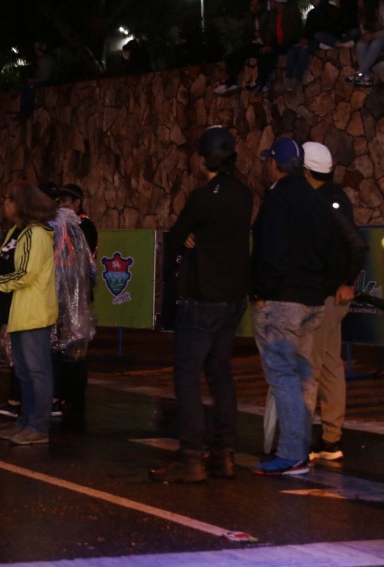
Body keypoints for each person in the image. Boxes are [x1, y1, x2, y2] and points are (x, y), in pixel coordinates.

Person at [149, 127, 253, 483]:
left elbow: (177, 237)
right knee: (221, 374)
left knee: (187, 374)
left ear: (204, 158)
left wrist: (190, 237)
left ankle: (191, 455)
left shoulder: (202, 197)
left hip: (203, 297)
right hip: (233, 297)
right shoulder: (244, 194)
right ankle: (225, 453)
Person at [250, 138, 334, 476]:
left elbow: (269, 251)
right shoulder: (316, 200)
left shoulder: (277, 199)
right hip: (313, 300)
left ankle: (290, 453)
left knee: (282, 375)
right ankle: (299, 449)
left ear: (274, 164)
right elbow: (333, 248)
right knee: (302, 377)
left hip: (283, 301)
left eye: (268, 160)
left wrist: (260, 290)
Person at [301, 142, 368, 461]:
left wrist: (347, 282)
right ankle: (330, 438)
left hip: (326, 295)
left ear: (306, 170)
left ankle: (300, 441)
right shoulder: (332, 196)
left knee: (312, 364)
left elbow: (357, 244)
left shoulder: (327, 201)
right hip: (330, 294)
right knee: (329, 363)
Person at [0, 181, 58, 445]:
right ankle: (26, 422)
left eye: (7, 198)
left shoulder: (36, 233)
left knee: (36, 371)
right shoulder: (16, 231)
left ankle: (38, 426)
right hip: (18, 311)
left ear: (20, 203)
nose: (4, 203)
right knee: (24, 371)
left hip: (33, 311)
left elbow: (27, 274)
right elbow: (5, 263)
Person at [53, 183, 98, 417]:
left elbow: (83, 263)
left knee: (75, 350)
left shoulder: (84, 226)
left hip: (77, 297)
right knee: (59, 348)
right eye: (58, 202)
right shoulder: (61, 225)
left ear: (77, 203)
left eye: (65, 202)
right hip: (60, 295)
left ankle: (74, 398)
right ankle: (60, 394)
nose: (60, 206)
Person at [214, 0, 273, 95]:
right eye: (252, 5)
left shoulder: (267, 17)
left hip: (264, 44)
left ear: (261, 5)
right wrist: (251, 35)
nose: (254, 7)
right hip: (253, 44)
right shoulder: (249, 18)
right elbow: (245, 33)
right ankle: (231, 82)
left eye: (257, 5)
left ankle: (233, 83)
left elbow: (271, 32)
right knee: (231, 56)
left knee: (245, 53)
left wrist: (262, 36)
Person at [283, 0, 340, 92]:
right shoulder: (312, 13)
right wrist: (304, 39)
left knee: (304, 50)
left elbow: (331, 28)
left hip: (323, 39)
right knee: (293, 50)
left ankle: (297, 79)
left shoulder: (331, 10)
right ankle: (288, 79)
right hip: (311, 40)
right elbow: (308, 31)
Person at [346, 0, 384, 86]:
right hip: (373, 35)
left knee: (376, 44)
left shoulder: (381, 7)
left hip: (381, 35)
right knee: (360, 45)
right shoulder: (362, 11)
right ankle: (366, 76)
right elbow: (363, 28)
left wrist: (373, 35)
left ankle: (360, 73)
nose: (358, 2)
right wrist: (365, 35)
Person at [16, 41, 57, 120]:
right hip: (43, 81)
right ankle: (23, 111)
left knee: (30, 87)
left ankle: (28, 111)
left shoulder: (45, 60)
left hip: (48, 81)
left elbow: (45, 77)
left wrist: (33, 81)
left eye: (36, 49)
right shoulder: (42, 60)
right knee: (25, 87)